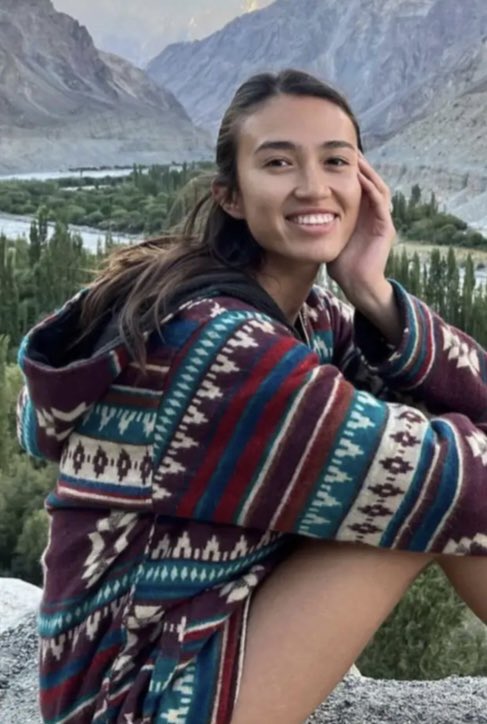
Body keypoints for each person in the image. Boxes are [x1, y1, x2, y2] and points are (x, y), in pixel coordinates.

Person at [17, 68, 487, 724]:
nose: (313, 186)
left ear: (366, 183)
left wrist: (374, 293)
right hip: (135, 699)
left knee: (429, 461)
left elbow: (465, 398)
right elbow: (462, 485)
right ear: (231, 196)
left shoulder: (306, 317)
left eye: (335, 161)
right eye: (278, 163)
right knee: (426, 493)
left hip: (197, 633)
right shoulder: (215, 345)